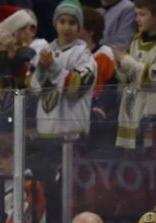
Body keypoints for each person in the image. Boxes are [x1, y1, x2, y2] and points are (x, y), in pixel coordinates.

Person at [114, 0, 156, 149]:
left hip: (155, 117)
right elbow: (126, 77)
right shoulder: (136, 40)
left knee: (155, 166)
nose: (137, 19)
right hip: (131, 115)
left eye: (142, 14)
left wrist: (125, 61)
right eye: (136, 14)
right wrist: (119, 65)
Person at [31, 0, 97, 139]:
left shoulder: (84, 54)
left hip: (72, 131)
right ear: (55, 24)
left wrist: (53, 67)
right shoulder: (46, 50)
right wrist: (41, 69)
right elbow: (34, 89)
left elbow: (78, 88)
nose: (66, 27)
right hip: (46, 130)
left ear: (79, 27)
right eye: (62, 21)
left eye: (72, 23)